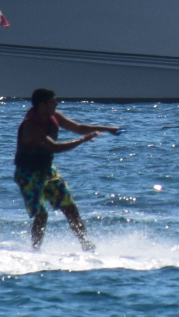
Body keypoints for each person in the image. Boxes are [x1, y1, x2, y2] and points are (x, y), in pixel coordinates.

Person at [13, 87, 115, 249]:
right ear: (42, 105)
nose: (57, 104)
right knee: (41, 214)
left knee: (70, 208)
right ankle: (35, 250)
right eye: (53, 102)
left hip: (47, 171)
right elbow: (55, 147)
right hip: (28, 174)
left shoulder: (54, 116)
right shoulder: (31, 126)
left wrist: (107, 129)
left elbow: (79, 128)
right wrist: (83, 141)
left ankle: (86, 245)